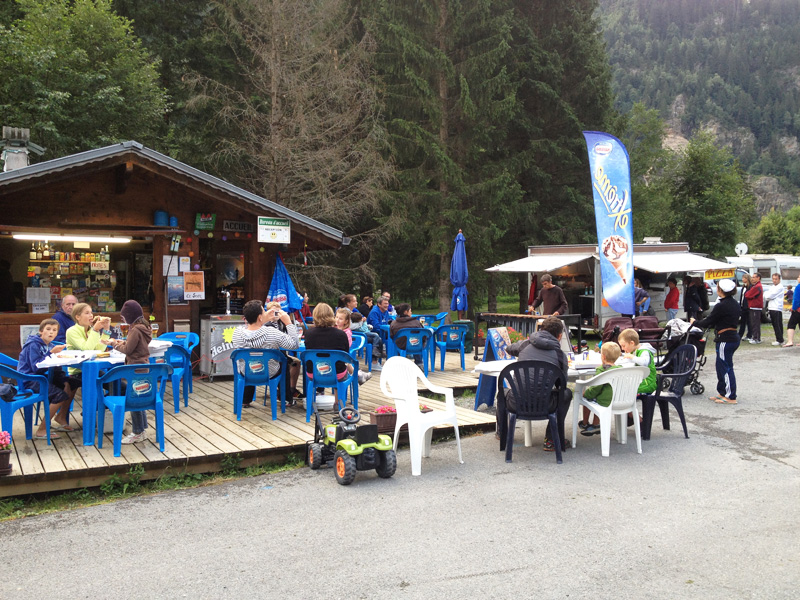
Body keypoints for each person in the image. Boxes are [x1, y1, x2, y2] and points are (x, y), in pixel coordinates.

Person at [505, 316, 573, 451]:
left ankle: (502, 433)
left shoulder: (526, 344)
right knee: (566, 394)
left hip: (516, 403)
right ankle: (551, 439)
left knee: (502, 391)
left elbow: (509, 348)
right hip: (544, 405)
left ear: (541, 329)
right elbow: (562, 384)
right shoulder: (559, 355)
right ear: (559, 336)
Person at [232, 299, 300, 409]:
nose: (266, 313)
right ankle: (286, 398)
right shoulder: (271, 333)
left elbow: (253, 331)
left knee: (251, 360)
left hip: (247, 371)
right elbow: (294, 344)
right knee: (284, 362)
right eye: (264, 311)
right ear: (259, 317)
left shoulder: (237, 333)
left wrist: (262, 320)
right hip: (270, 372)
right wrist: (288, 323)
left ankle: (245, 400)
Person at [17, 319, 76, 440]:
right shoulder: (34, 345)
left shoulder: (50, 345)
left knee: (69, 384)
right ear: (41, 331)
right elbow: (36, 366)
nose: (51, 332)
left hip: (43, 378)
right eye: (48, 329)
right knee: (59, 395)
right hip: (30, 379)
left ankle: (61, 417)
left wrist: (63, 377)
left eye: (54, 330)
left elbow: (54, 366)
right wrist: (50, 353)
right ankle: (42, 429)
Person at [106, 300, 152, 444]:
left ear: (130, 316)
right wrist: (123, 343)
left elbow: (128, 350)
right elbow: (135, 345)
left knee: (133, 401)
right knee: (139, 398)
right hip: (143, 366)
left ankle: (137, 432)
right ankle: (142, 428)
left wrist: (114, 344)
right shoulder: (144, 327)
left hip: (135, 368)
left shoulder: (135, 329)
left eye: (124, 316)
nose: (123, 319)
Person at [691, 279, 740, 404]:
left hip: (726, 338)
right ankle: (722, 392)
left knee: (726, 367)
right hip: (730, 336)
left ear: (721, 290)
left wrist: (695, 322)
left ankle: (730, 396)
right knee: (720, 366)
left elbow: (709, 320)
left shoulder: (722, 305)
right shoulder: (733, 303)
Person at [304, 303, 352, 400]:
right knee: (340, 366)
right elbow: (345, 355)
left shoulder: (308, 333)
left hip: (313, 373)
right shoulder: (341, 334)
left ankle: (311, 405)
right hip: (337, 374)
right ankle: (338, 404)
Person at [579, 342, 622, 434]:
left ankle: (585, 423)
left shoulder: (602, 370)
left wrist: (585, 393)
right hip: (618, 400)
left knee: (588, 397)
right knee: (599, 396)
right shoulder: (620, 369)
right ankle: (595, 424)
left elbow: (596, 388)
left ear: (603, 357)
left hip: (605, 402)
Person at [264, 301, 303, 400]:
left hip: (280, 353)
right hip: (274, 356)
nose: (276, 315)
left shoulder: (282, 323)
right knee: (285, 363)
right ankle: (283, 392)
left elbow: (289, 337)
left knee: (296, 362)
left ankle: (292, 388)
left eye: (278, 312)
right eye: (273, 312)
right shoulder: (267, 325)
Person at [65, 303, 111, 378]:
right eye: (87, 313)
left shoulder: (91, 331)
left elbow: (99, 350)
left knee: (119, 385)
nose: (91, 315)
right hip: (78, 372)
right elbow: (87, 349)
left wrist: (106, 330)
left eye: (91, 312)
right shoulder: (71, 331)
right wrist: (95, 330)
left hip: (94, 368)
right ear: (78, 317)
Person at [335, 307, 371, 384]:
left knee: (344, 360)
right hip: (338, 357)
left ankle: (358, 375)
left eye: (340, 319)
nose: (337, 320)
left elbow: (346, 346)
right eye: (336, 317)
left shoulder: (347, 332)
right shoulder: (334, 329)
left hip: (344, 353)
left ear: (346, 321)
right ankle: (359, 375)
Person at [618, 329, 657, 395]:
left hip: (647, 384)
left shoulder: (644, 351)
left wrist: (631, 357)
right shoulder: (635, 350)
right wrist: (622, 355)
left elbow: (644, 362)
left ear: (632, 343)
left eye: (623, 346)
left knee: (624, 390)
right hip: (641, 382)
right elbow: (632, 359)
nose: (622, 348)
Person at [764, 273, 785, 346]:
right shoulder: (772, 287)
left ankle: (780, 339)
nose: (774, 280)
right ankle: (779, 338)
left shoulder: (780, 287)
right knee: (775, 324)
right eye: (773, 279)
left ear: (779, 279)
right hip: (771, 307)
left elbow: (769, 296)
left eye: (776, 279)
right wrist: (767, 295)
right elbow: (767, 295)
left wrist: (767, 294)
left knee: (777, 324)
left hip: (776, 307)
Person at [744, 273, 763, 344]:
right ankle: (756, 337)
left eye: (754, 277)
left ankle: (756, 338)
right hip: (753, 306)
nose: (752, 279)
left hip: (755, 307)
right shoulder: (755, 286)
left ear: (758, 278)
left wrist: (748, 294)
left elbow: (747, 295)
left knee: (755, 323)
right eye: (752, 277)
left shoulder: (757, 287)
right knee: (754, 323)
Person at [782, 275, 800, 347]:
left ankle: (790, 341)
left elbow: (796, 299)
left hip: (798, 309)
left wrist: (794, 308)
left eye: (799, 277)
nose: (797, 278)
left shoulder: (798, 287)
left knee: (791, 324)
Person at [738, 273, 752, 341]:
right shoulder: (743, 287)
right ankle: (740, 335)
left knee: (749, 322)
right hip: (743, 306)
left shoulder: (750, 287)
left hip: (748, 307)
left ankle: (749, 335)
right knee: (742, 321)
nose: (743, 279)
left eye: (744, 278)